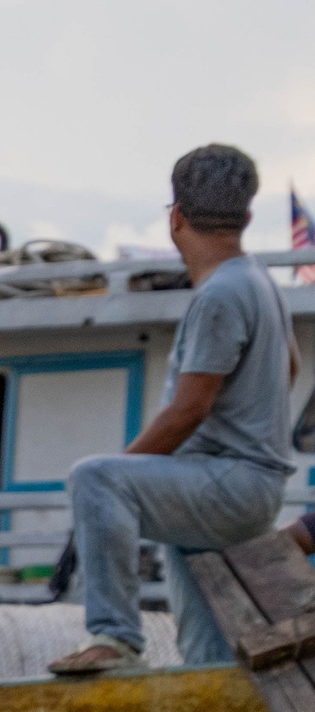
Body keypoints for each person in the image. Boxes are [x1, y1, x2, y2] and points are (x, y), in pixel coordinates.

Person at [50, 145, 301, 676]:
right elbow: (291, 367)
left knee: (95, 477)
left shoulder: (219, 295)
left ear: (176, 218)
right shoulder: (260, 283)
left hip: (230, 485)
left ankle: (115, 638)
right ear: (247, 217)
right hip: (241, 486)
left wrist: (122, 477)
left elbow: (188, 411)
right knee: (207, 648)